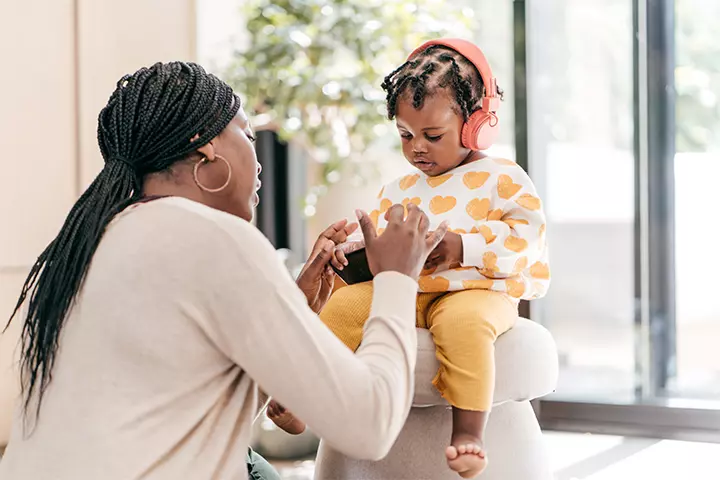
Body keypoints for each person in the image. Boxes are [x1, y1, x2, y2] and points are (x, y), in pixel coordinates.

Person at [0, 61, 447, 479]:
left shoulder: (95, 238)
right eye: (248, 137)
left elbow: (188, 411)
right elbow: (370, 425)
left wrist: (297, 306)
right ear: (207, 149)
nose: (258, 164)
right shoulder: (210, 236)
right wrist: (397, 278)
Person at [316, 39, 552, 478]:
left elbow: (528, 241)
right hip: (410, 290)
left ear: (476, 124)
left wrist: (463, 246)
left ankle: (468, 434)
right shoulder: (400, 189)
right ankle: (301, 401)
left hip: (477, 290)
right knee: (340, 309)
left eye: (432, 136)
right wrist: (358, 256)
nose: (417, 148)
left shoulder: (503, 178)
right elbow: (390, 246)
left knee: (463, 326)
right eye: (405, 135)